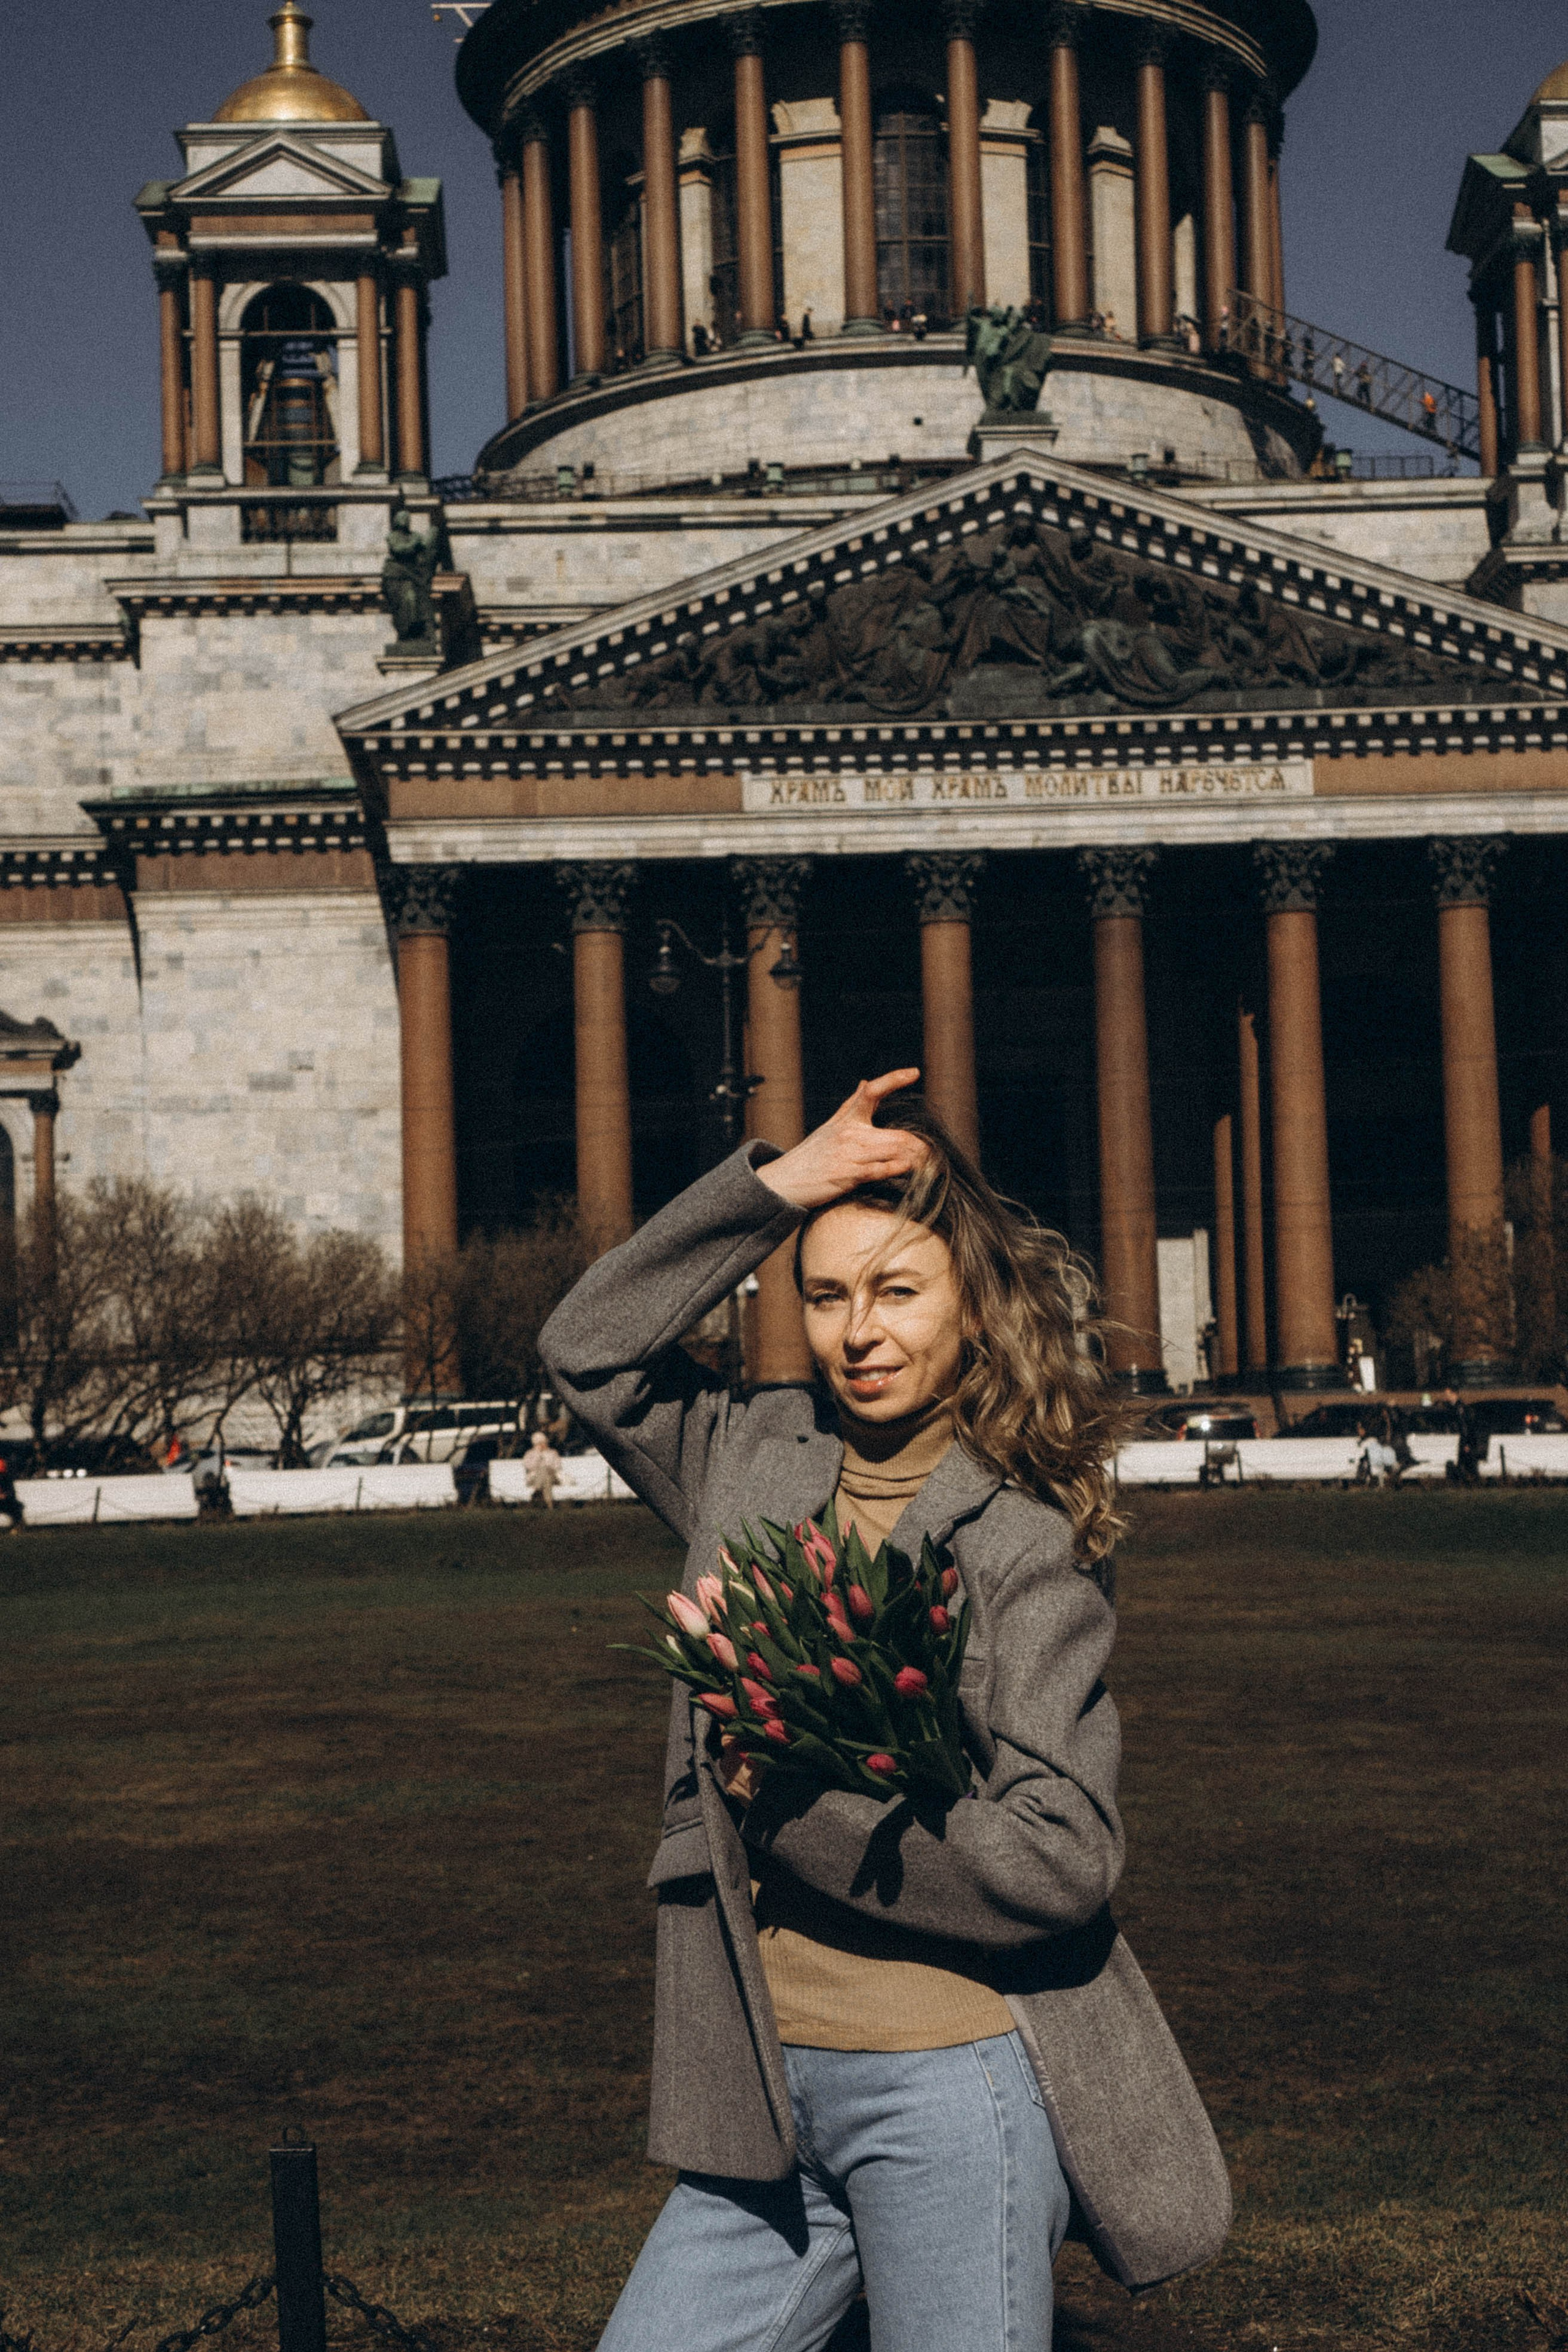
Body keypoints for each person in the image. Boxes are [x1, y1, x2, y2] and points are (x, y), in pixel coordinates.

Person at [541, 1071, 1231, 2352]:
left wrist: (791, 1804)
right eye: (824, 1294)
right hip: (764, 2090)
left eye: (897, 1291)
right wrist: (775, 1190)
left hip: (951, 2090)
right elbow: (586, 1347)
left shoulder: (1027, 1536)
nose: (857, 1332)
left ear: (971, 1305)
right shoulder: (751, 1452)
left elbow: (1059, 1853)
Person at [522, 1427, 562, 1507]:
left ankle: (537, 1490)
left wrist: (546, 1460)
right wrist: (538, 1455)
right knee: (546, 1479)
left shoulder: (553, 1453)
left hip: (552, 1477)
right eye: (539, 1443)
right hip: (534, 1478)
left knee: (546, 1473)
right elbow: (529, 1467)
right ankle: (549, 1505)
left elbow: (557, 1467)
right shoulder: (529, 1454)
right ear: (535, 1444)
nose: (542, 1445)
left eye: (543, 1442)